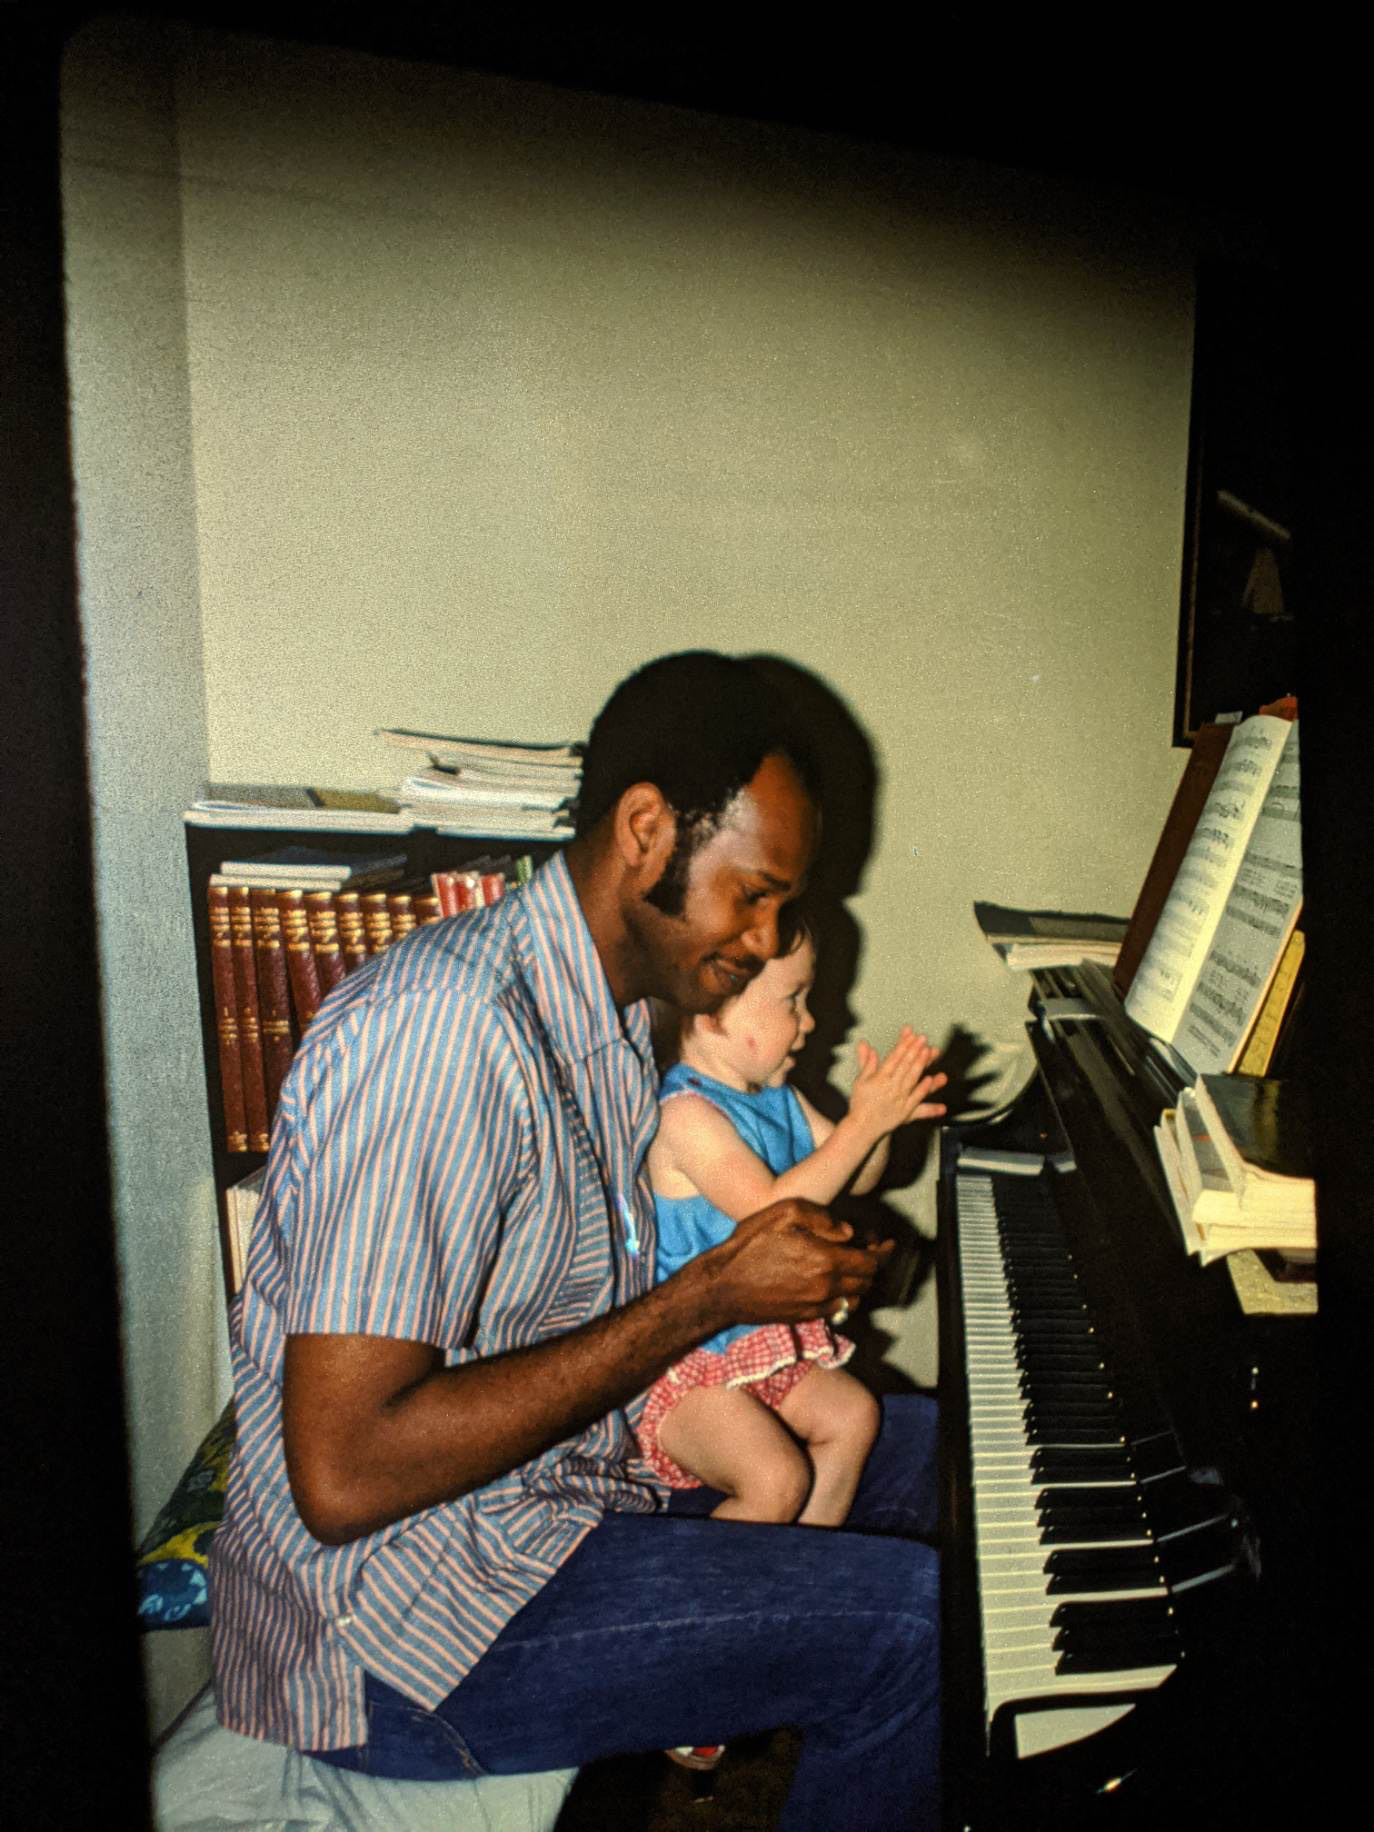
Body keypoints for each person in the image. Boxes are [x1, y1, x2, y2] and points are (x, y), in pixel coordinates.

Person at [209, 651, 942, 1831]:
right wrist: (712, 1295)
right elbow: (343, 1475)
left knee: (947, 1459)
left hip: (560, 1494)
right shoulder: (444, 1033)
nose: (763, 942)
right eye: (750, 893)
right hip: (403, 1630)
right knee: (912, 1628)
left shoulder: (606, 1015)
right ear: (646, 830)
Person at [639, 922, 947, 1528]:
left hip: (755, 1347)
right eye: (791, 1001)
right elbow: (768, 1215)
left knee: (854, 1415)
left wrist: (875, 1124)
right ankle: (716, 1594)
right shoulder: (685, 1116)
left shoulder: (776, 1091)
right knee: (776, 1480)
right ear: (710, 1015)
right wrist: (861, 1128)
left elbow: (858, 1176)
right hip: (686, 1363)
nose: (808, 1022)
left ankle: (808, 1556)